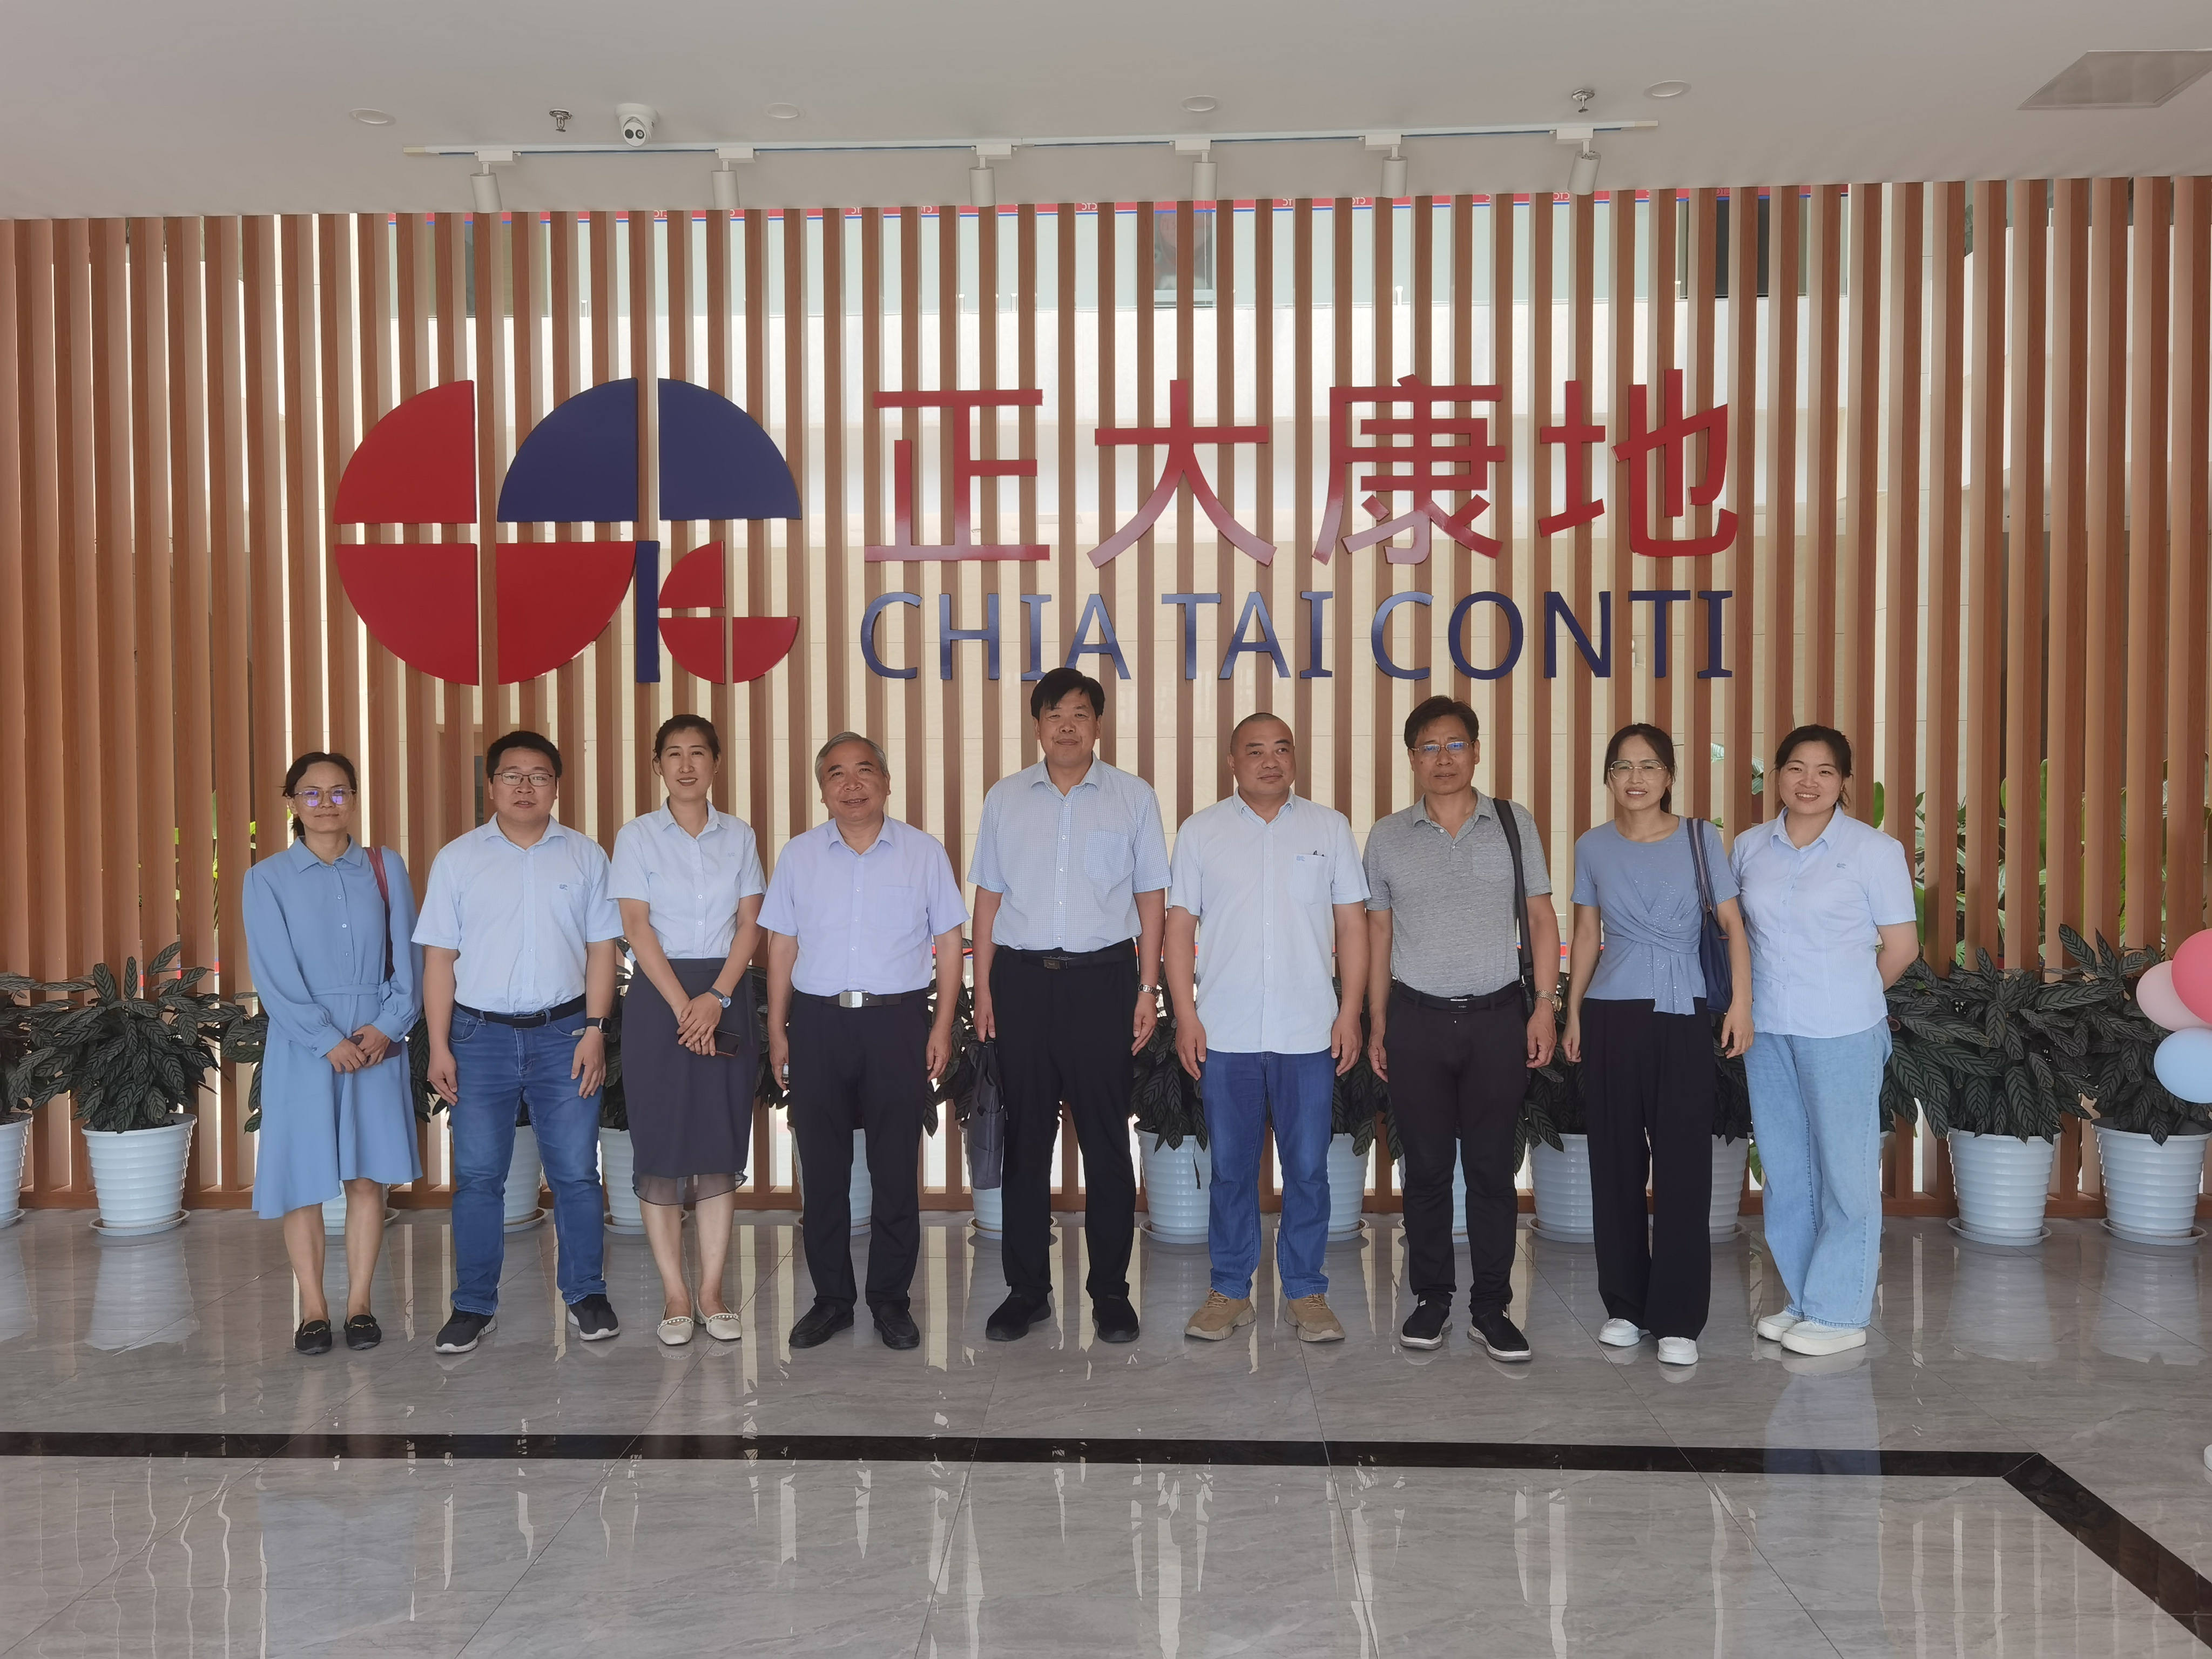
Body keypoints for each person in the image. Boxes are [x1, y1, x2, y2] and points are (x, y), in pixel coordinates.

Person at [969, 667, 1166, 1346]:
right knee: (1026, 1142)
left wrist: (1148, 989)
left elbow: (1150, 899)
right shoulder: (1005, 798)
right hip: (1022, 984)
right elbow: (988, 897)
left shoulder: (1132, 796)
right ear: (1037, 725)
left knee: (1107, 1142)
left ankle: (1110, 1291)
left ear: (1097, 725)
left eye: (1080, 714)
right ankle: (1026, 1291)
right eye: (1055, 714)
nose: (1067, 726)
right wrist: (983, 989)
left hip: (1103, 982)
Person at [1363, 696, 1558, 1361]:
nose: (1442, 759)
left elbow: (1540, 918)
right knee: (1423, 1170)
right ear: (1411, 758)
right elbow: (1379, 934)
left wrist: (1544, 1005)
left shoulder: (1512, 822)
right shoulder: (1387, 836)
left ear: (1476, 751)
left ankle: (1491, 1307)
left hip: (1497, 1019)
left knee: (1491, 1171)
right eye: (1428, 747)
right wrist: (1377, 1022)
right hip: (1415, 1019)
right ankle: (1432, 1299)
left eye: (1454, 745)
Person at [417, 731, 624, 1354]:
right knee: (478, 1176)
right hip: (478, 1037)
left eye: (539, 776)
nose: (525, 787)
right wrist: (439, 1046)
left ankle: (586, 1294)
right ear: (491, 785)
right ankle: (473, 1304)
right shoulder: (457, 860)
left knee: (576, 1174)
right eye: (512, 775)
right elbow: (439, 960)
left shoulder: (585, 857)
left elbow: (602, 952)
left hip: (566, 1034)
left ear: (556, 786)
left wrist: (596, 1030)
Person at [760, 733, 966, 1353]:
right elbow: (782, 945)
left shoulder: (923, 853)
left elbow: (949, 943)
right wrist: (777, 1028)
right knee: (822, 1171)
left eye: (864, 770)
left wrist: (941, 1025)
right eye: (836, 774)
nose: (851, 784)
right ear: (822, 789)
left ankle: (890, 1301)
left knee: (894, 1170)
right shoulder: (799, 856)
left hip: (895, 1024)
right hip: (818, 1024)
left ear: (886, 781)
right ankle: (831, 1300)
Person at [1168, 713, 1368, 1344]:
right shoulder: (1201, 832)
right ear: (1232, 761)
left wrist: (1350, 1011)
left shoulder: (1329, 828)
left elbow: (1352, 926)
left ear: (1295, 758)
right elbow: (1179, 929)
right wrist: (1185, 1015)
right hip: (1224, 1032)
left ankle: (1306, 1292)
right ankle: (1229, 1291)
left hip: (1308, 1032)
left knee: (1307, 1169)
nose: (1270, 760)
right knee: (1231, 1170)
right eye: (1255, 750)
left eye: (1282, 748)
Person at [1562, 724, 1753, 1367]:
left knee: (1682, 1164)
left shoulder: (1701, 838)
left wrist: (1742, 1006)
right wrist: (1572, 1013)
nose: (1635, 778)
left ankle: (1677, 1317)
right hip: (1611, 1014)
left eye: (1648, 766)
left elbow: (1731, 925)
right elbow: (1585, 934)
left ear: (1668, 777)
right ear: (1608, 777)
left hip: (1682, 1012)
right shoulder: (1591, 846)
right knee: (1614, 1160)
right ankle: (1624, 1305)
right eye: (1622, 766)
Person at [1730, 725, 1918, 1358]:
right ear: (1777, 776)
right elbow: (1736, 936)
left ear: (1843, 783)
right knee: (1787, 1172)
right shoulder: (1749, 847)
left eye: (1825, 771)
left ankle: (1841, 1312)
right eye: (1796, 768)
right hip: (1768, 1029)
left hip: (1842, 1030)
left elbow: (1901, 947)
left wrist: (1850, 993)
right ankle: (1806, 1299)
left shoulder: (1873, 850)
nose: (1808, 782)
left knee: (1844, 1172)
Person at [242, 752, 423, 1357]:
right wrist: (326, 1040)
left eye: (339, 791)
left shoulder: (385, 866)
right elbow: (273, 975)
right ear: (292, 802)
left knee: (367, 1178)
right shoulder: (266, 878)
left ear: (354, 798)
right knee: (303, 1181)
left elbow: (409, 958)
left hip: (375, 1041)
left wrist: (387, 1026)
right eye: (312, 793)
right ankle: (314, 1310)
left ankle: (360, 1305)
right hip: (303, 1047)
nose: (326, 803)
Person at [611, 714, 765, 1348]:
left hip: (725, 993)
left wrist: (718, 998)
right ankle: (676, 1295)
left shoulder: (740, 836)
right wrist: (686, 1006)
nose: (685, 765)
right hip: (660, 999)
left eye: (698, 753)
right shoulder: (637, 836)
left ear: (715, 763)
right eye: (672, 754)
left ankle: (711, 1293)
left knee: (718, 1144)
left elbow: (750, 924)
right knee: (662, 1146)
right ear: (657, 766)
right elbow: (636, 928)